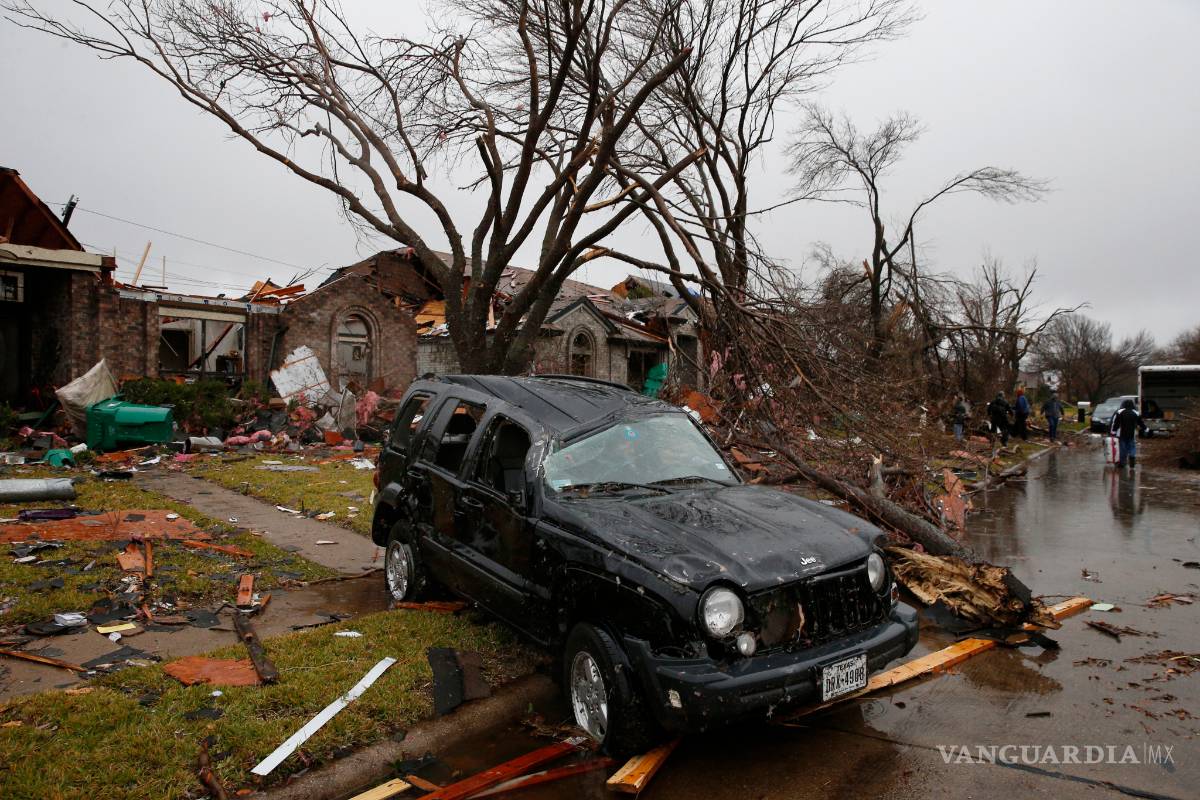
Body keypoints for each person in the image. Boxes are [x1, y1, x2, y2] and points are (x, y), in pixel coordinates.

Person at [1110, 398, 1147, 468]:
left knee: (1123, 448)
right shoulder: (1135, 413)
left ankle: (1122, 463)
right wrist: (1146, 429)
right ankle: (1132, 458)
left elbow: (1116, 423)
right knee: (1132, 447)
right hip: (1131, 434)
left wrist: (1113, 432)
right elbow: (1141, 423)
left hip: (1121, 434)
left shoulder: (1120, 412)